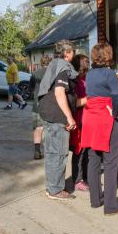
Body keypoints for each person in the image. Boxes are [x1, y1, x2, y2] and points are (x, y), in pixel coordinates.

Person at [80, 44, 118, 215]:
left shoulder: (90, 74)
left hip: (90, 117)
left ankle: (95, 200)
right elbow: (115, 94)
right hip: (105, 118)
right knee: (111, 163)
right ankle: (111, 206)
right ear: (108, 55)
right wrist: (114, 112)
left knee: (93, 160)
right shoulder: (109, 73)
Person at [38, 40, 77, 201]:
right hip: (56, 114)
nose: (74, 55)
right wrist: (69, 117)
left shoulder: (54, 64)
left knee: (51, 152)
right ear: (67, 53)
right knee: (59, 153)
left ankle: (52, 186)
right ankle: (55, 190)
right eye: (73, 52)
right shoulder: (63, 68)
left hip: (46, 110)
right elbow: (59, 93)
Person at [70, 54, 90, 192]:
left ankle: (85, 177)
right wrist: (90, 98)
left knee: (86, 151)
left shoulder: (86, 79)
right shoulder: (75, 82)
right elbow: (74, 102)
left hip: (87, 120)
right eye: (87, 63)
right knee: (79, 151)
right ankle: (77, 180)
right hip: (79, 120)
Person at [29, 55, 52, 159]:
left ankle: (37, 151)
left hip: (37, 104)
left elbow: (31, 89)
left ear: (41, 63)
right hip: (50, 105)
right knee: (49, 129)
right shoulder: (53, 74)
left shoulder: (35, 74)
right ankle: (50, 152)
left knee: (38, 128)